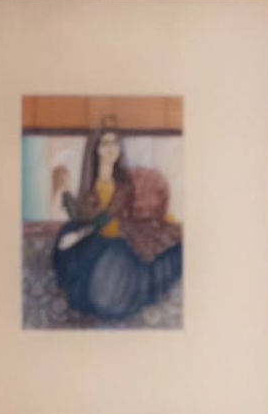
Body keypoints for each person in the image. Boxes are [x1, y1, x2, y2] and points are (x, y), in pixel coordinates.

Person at [53, 123, 182, 320]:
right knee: (66, 239)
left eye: (115, 143)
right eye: (105, 143)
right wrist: (69, 201)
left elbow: (107, 220)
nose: (111, 148)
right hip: (92, 242)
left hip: (113, 241)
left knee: (115, 275)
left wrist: (82, 232)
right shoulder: (90, 182)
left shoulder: (123, 184)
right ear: (96, 149)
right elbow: (84, 216)